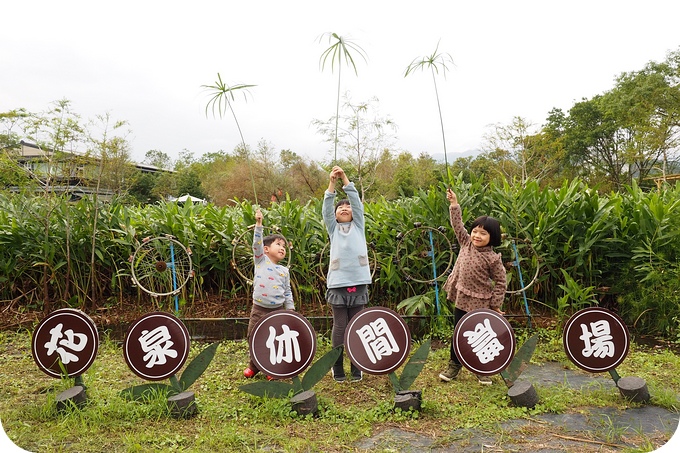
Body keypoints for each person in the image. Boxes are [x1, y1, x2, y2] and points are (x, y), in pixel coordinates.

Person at [438, 188, 506, 385]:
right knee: (458, 331)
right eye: (475, 231)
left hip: (481, 302)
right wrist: (454, 204)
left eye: (482, 233)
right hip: (461, 297)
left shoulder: (493, 258)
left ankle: (481, 368)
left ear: (492, 237)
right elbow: (457, 225)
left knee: (481, 335)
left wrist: (495, 304)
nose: (476, 235)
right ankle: (454, 365)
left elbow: (501, 282)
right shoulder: (465, 243)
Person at [323, 166, 372, 382]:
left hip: (358, 282)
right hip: (338, 283)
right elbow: (326, 208)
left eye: (347, 207)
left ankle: (356, 366)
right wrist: (332, 183)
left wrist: (345, 179)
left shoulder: (358, 226)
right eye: (340, 207)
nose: (344, 208)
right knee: (340, 326)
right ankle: (337, 366)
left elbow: (357, 203)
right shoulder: (333, 229)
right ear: (334, 215)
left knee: (356, 325)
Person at [243, 208, 294, 378]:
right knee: (253, 336)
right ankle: (254, 365)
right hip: (258, 309)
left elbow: (287, 292)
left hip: (277, 310)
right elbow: (256, 244)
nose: (282, 248)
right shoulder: (260, 261)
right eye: (278, 244)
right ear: (265, 249)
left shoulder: (284, 271)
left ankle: (271, 367)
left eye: (284, 246)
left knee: (276, 339)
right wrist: (259, 224)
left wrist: (290, 310)